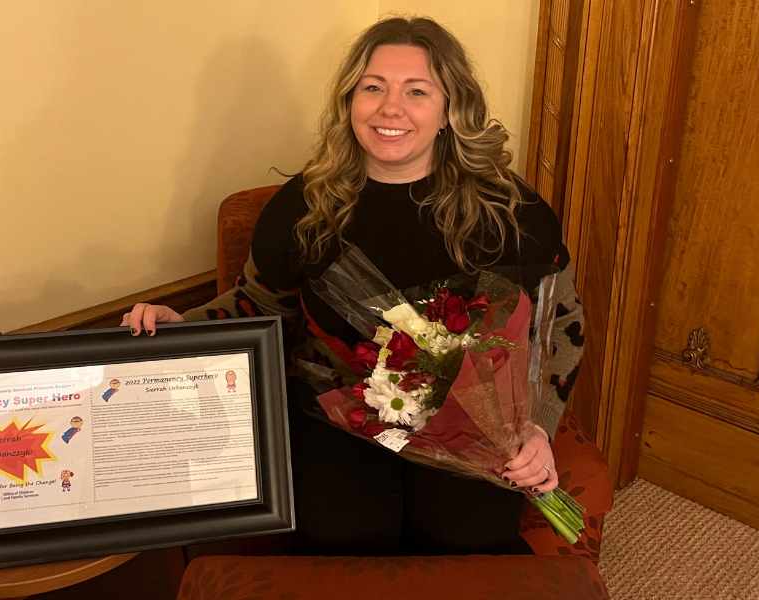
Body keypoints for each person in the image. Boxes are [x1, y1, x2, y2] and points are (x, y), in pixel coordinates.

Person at [121, 17, 585, 557]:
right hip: (337, 415)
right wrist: (185, 325)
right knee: (340, 539)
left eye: (417, 90)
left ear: (449, 110)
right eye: (373, 87)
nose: (391, 108)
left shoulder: (510, 209)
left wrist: (536, 428)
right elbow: (259, 305)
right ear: (350, 103)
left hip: (474, 422)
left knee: (470, 539)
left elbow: (562, 324)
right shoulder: (301, 207)